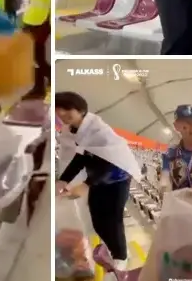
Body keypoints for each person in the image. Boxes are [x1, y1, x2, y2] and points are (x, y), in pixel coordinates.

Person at [54, 92, 143, 279]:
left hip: (117, 179)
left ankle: (121, 258)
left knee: (113, 221)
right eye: (58, 109)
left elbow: (111, 164)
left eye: (67, 108)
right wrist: (63, 180)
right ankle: (109, 249)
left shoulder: (99, 131)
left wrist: (86, 184)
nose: (62, 113)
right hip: (98, 179)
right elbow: (81, 158)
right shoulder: (78, 130)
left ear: (80, 110)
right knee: (98, 220)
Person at [22, 0, 51, 100]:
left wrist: (48, 21)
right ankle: (41, 84)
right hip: (29, 18)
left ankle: (39, 86)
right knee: (33, 56)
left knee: (36, 55)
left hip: (42, 20)